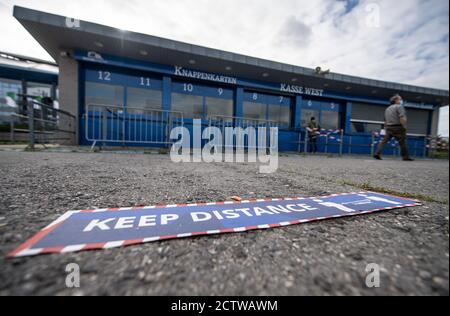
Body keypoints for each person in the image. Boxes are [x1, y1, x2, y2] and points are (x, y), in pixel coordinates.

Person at [374, 94, 414, 161]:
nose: (401, 100)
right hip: (398, 127)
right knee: (402, 142)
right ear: (396, 100)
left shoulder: (387, 108)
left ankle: (377, 153)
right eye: (400, 99)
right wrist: (404, 126)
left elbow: (385, 120)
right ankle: (405, 157)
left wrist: (386, 128)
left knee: (383, 141)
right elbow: (402, 117)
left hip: (389, 127)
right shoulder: (399, 107)